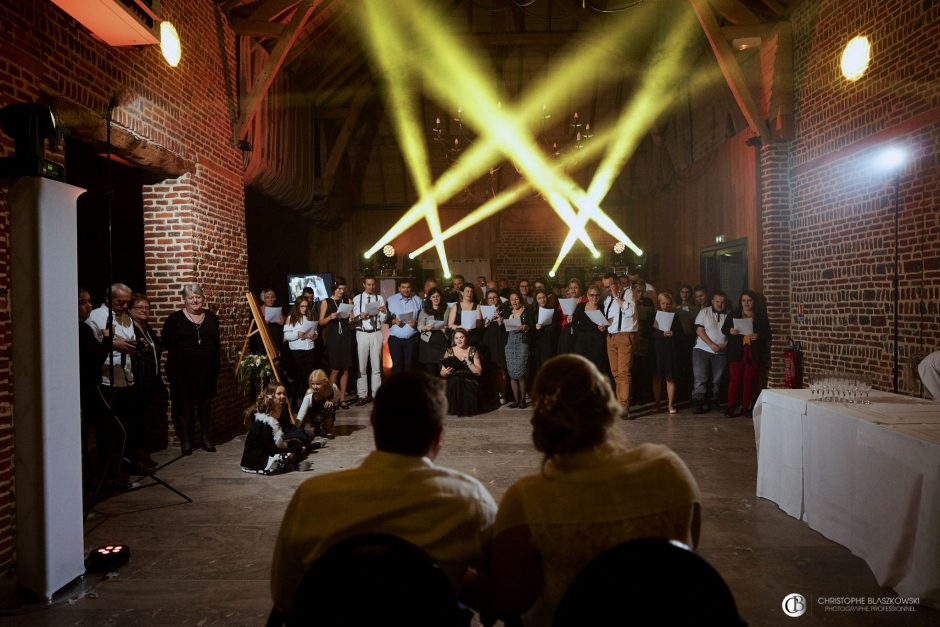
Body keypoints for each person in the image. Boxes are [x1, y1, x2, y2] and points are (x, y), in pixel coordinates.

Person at [485, 354, 702, 625]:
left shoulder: (527, 498)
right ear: (607, 405)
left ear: (542, 418)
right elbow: (689, 567)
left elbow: (510, 600)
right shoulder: (668, 469)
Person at [270, 371, 497, 614]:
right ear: (439, 436)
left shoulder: (312, 497)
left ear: (374, 423)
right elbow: (500, 593)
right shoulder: (469, 499)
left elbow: (285, 594)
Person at [86, 282, 154, 472]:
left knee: (129, 425)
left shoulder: (126, 319)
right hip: (106, 380)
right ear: (108, 299)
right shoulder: (96, 317)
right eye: (120, 302)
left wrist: (137, 346)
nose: (124, 306)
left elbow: (128, 341)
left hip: (127, 378)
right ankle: (110, 468)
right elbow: (92, 348)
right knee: (109, 429)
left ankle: (127, 462)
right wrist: (113, 344)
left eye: (127, 302)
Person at [163, 284, 222, 454]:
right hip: (183, 373)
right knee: (184, 406)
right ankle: (186, 440)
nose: (195, 300)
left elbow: (216, 344)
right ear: (185, 300)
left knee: (205, 406)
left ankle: (204, 437)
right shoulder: (174, 319)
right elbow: (167, 343)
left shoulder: (211, 317)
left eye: (198, 297)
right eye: (191, 297)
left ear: (202, 298)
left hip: (207, 372)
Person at [128, 293, 169, 453]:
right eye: (140, 307)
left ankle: (142, 449)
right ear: (130, 309)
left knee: (145, 416)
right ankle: (137, 451)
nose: (144, 310)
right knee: (136, 417)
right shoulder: (130, 327)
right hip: (138, 378)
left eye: (147, 307)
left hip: (150, 378)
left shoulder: (146, 326)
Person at [721, 290, 772, 418]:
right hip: (737, 351)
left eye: (749, 300)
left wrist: (758, 335)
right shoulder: (734, 314)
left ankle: (746, 407)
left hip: (752, 352)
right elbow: (724, 329)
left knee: (749, 380)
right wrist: (731, 330)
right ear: (740, 301)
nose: (746, 303)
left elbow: (767, 333)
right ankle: (731, 406)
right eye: (744, 300)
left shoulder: (760, 315)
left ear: (754, 301)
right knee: (734, 380)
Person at [240, 384, 302, 475]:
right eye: (279, 408)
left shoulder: (269, 422)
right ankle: (288, 466)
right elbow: (273, 450)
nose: (281, 409)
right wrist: (293, 449)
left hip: (264, 454)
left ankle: (287, 465)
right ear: (272, 412)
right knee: (290, 455)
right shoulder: (264, 426)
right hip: (255, 462)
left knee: (295, 444)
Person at [601, 273, 637, 415]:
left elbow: (630, 311)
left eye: (608, 286)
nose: (607, 289)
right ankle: (619, 402)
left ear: (616, 283)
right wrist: (602, 325)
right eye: (605, 287)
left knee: (623, 372)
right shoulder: (607, 299)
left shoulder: (628, 293)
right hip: (611, 336)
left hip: (625, 335)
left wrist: (616, 296)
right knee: (615, 372)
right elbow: (610, 318)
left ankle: (624, 405)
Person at [692, 291, 729, 414]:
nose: (720, 304)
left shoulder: (729, 314)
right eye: (717, 301)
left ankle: (714, 402)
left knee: (717, 379)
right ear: (712, 301)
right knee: (700, 377)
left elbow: (733, 334)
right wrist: (711, 344)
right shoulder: (704, 312)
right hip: (702, 349)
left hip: (721, 351)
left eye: (722, 302)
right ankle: (698, 402)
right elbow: (699, 330)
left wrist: (724, 345)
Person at [319, 277, 354, 409]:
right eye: (340, 289)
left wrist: (351, 318)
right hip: (333, 338)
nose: (342, 291)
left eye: (344, 289)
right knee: (335, 369)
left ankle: (343, 398)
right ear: (334, 288)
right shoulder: (326, 302)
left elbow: (351, 322)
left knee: (345, 368)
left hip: (345, 336)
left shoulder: (347, 300)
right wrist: (330, 317)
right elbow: (321, 322)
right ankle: (331, 397)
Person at [352, 275, 387, 405]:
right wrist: (359, 316)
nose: (371, 287)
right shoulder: (357, 299)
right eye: (368, 284)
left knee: (376, 366)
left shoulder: (379, 298)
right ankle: (362, 395)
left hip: (376, 333)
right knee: (362, 367)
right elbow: (352, 318)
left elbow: (383, 319)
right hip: (362, 333)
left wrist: (384, 311)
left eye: (373, 284)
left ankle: (376, 394)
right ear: (363, 284)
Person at [283, 297, 319, 408]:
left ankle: (307, 401)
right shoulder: (291, 318)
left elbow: (316, 334)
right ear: (297, 306)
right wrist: (297, 334)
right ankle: (294, 401)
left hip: (310, 349)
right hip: (297, 351)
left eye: (306, 306)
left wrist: (313, 335)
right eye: (302, 306)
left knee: (308, 377)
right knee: (297, 377)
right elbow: (286, 336)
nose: (304, 308)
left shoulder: (311, 316)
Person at [572, 285, 611, 386]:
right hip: (582, 341)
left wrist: (603, 328)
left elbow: (607, 325)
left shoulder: (603, 307)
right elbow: (574, 324)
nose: (594, 297)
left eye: (597, 295)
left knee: (596, 367)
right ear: (587, 295)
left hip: (597, 341)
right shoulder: (581, 306)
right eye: (591, 295)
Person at [652, 292, 683, 414]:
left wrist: (673, 333)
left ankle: (670, 405)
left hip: (670, 349)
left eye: (668, 304)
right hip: (656, 349)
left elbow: (681, 334)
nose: (666, 306)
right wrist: (662, 334)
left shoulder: (675, 316)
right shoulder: (653, 315)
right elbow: (648, 333)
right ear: (659, 303)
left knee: (670, 377)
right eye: (663, 303)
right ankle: (657, 404)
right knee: (657, 377)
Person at [440, 328, 483, 416]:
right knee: (455, 380)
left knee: (463, 382)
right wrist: (446, 372)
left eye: (461, 337)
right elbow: (442, 373)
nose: (459, 340)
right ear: (454, 340)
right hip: (454, 380)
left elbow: (478, 373)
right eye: (456, 338)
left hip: (469, 379)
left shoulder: (473, 350)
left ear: (466, 338)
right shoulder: (449, 351)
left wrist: (469, 362)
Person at [386, 278, 423, 373]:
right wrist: (393, 320)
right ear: (399, 288)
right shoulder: (390, 300)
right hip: (395, 340)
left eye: (408, 287)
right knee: (397, 367)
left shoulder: (418, 300)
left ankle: (409, 388)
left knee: (410, 368)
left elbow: (423, 319)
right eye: (403, 287)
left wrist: (417, 323)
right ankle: (397, 388)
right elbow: (384, 318)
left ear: (411, 288)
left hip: (412, 340)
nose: (406, 290)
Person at [504, 290, 532, 408]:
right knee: (512, 373)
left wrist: (526, 327)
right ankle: (515, 400)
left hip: (522, 342)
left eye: (516, 299)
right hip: (510, 343)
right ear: (510, 302)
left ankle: (522, 401)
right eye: (512, 299)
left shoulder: (527, 312)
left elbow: (532, 326)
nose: (514, 301)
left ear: (520, 299)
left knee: (521, 372)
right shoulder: (507, 312)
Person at [481, 289, 508, 407]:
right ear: (487, 300)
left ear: (498, 298)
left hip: (500, 341)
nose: (492, 299)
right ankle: (493, 393)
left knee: (501, 369)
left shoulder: (505, 309)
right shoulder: (483, 310)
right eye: (490, 298)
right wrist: (484, 324)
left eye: (495, 297)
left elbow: (510, 327)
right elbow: (478, 327)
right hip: (488, 342)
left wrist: (501, 320)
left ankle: (502, 393)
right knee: (490, 369)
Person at [296, 369, 338, 439]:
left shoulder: (332, 388)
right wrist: (296, 430)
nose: (315, 387)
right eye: (313, 384)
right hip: (314, 415)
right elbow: (301, 414)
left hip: (327, 412)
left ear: (324, 383)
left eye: (318, 384)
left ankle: (328, 430)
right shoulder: (309, 393)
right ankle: (316, 427)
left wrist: (331, 401)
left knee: (329, 407)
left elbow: (337, 397)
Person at [418, 287, 450, 376]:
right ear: (430, 298)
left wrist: (446, 328)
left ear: (441, 297)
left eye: (437, 296)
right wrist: (426, 327)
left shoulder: (447, 309)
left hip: (442, 342)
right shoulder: (424, 310)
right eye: (433, 297)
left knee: (444, 372)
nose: (436, 298)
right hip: (428, 344)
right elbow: (419, 326)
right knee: (431, 374)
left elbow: (450, 323)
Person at [531, 289, 559, 377]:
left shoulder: (553, 311)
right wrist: (535, 327)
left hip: (549, 343)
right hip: (537, 344)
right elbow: (530, 330)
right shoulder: (533, 312)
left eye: (544, 297)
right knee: (538, 368)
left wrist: (546, 326)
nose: (542, 300)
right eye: (539, 298)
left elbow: (556, 328)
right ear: (536, 300)